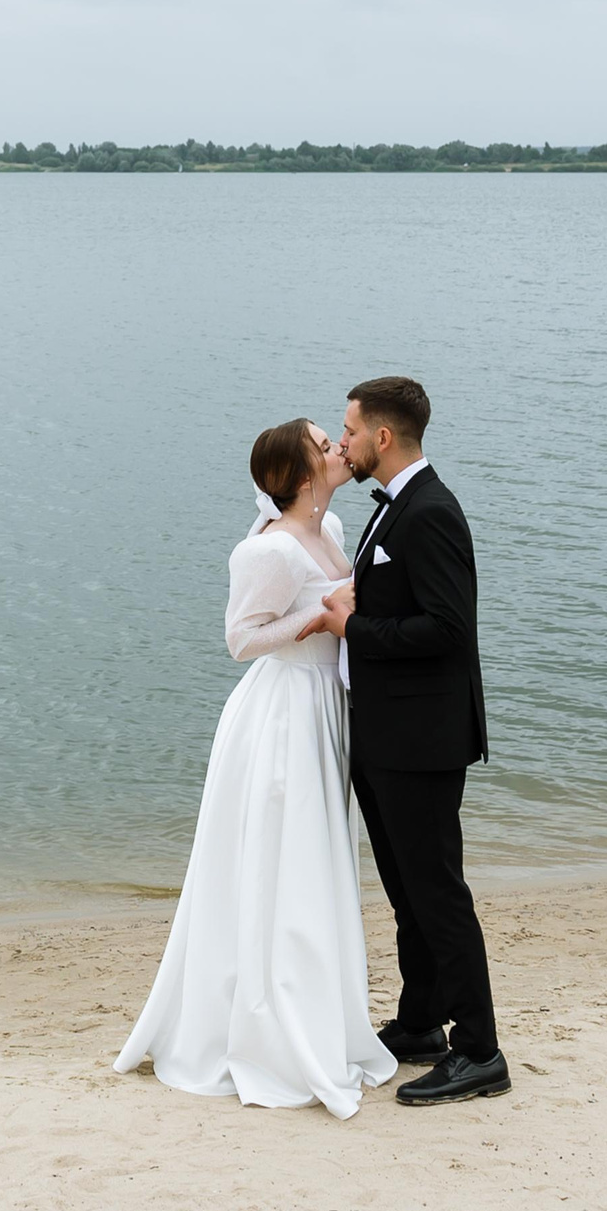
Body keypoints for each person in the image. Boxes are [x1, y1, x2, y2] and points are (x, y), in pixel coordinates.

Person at [112, 419, 399, 1116]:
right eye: (324, 443)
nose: (338, 448)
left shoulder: (327, 533)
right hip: (281, 718)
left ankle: (316, 1014)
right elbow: (240, 641)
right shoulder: (266, 550)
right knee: (281, 864)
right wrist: (319, 620)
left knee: (311, 865)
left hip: (321, 709)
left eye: (338, 437)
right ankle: (264, 1027)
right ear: (302, 476)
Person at [316, 375, 508, 1106]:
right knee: (407, 895)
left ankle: (481, 1049)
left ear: (383, 437)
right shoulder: (394, 510)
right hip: (388, 734)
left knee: (437, 894)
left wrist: (349, 629)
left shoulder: (429, 513)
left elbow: (451, 631)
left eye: (351, 430)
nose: (343, 443)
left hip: (422, 740)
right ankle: (423, 1022)